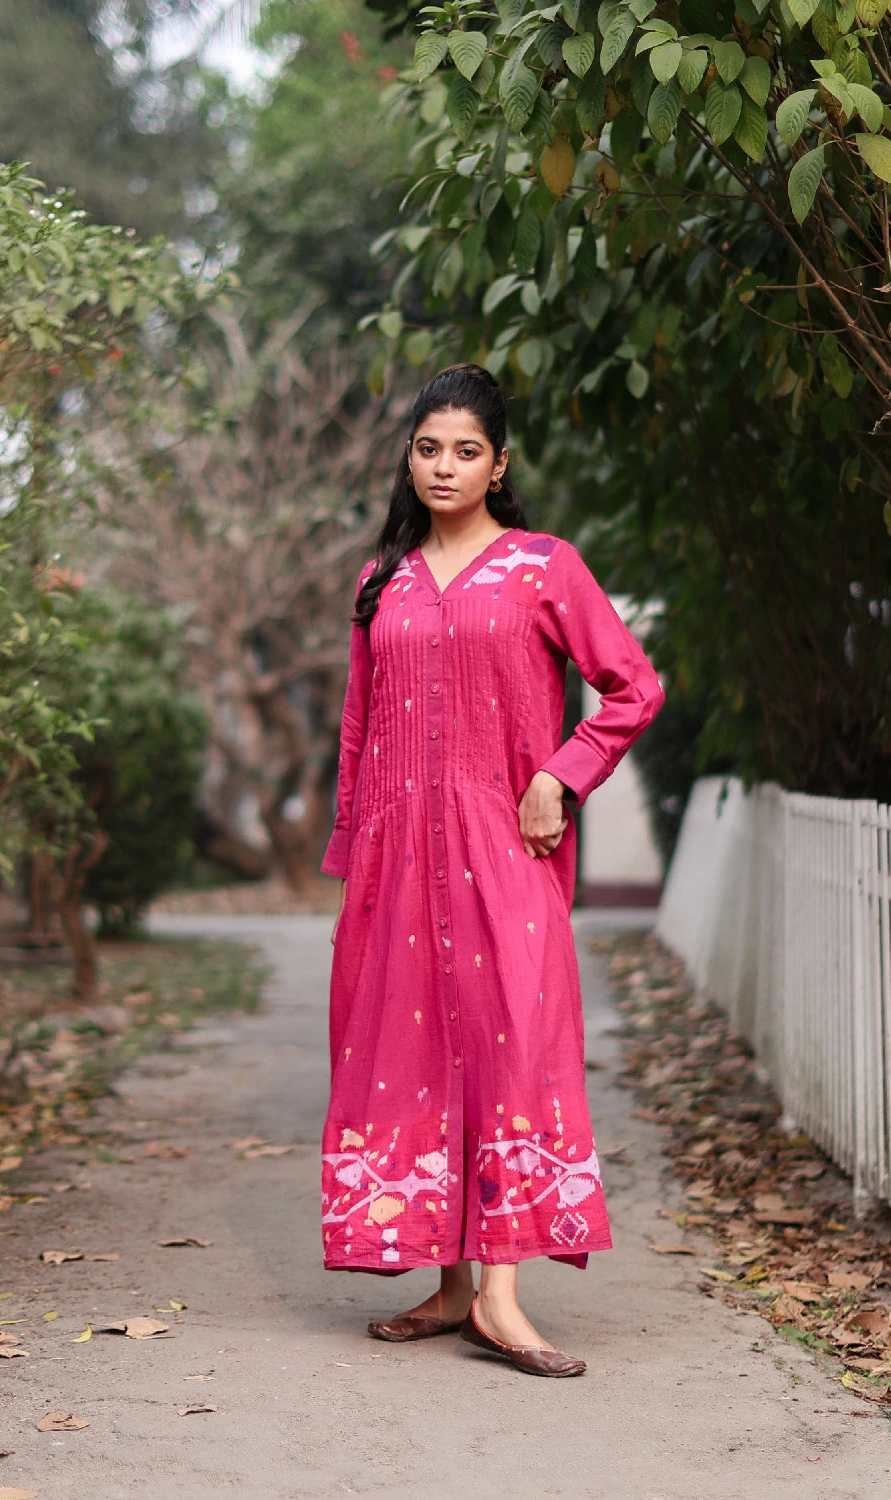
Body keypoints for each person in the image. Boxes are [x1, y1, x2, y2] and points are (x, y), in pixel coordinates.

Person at [320, 364, 664, 1377]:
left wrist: (562, 775)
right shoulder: (377, 582)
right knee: (408, 1055)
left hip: (505, 851)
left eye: (465, 450)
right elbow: (355, 731)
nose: (443, 465)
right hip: (396, 861)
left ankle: (502, 1298)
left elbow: (629, 686)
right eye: (428, 447)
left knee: (514, 1043)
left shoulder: (541, 568)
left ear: (498, 465)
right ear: (408, 457)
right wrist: (352, 853)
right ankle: (449, 1286)